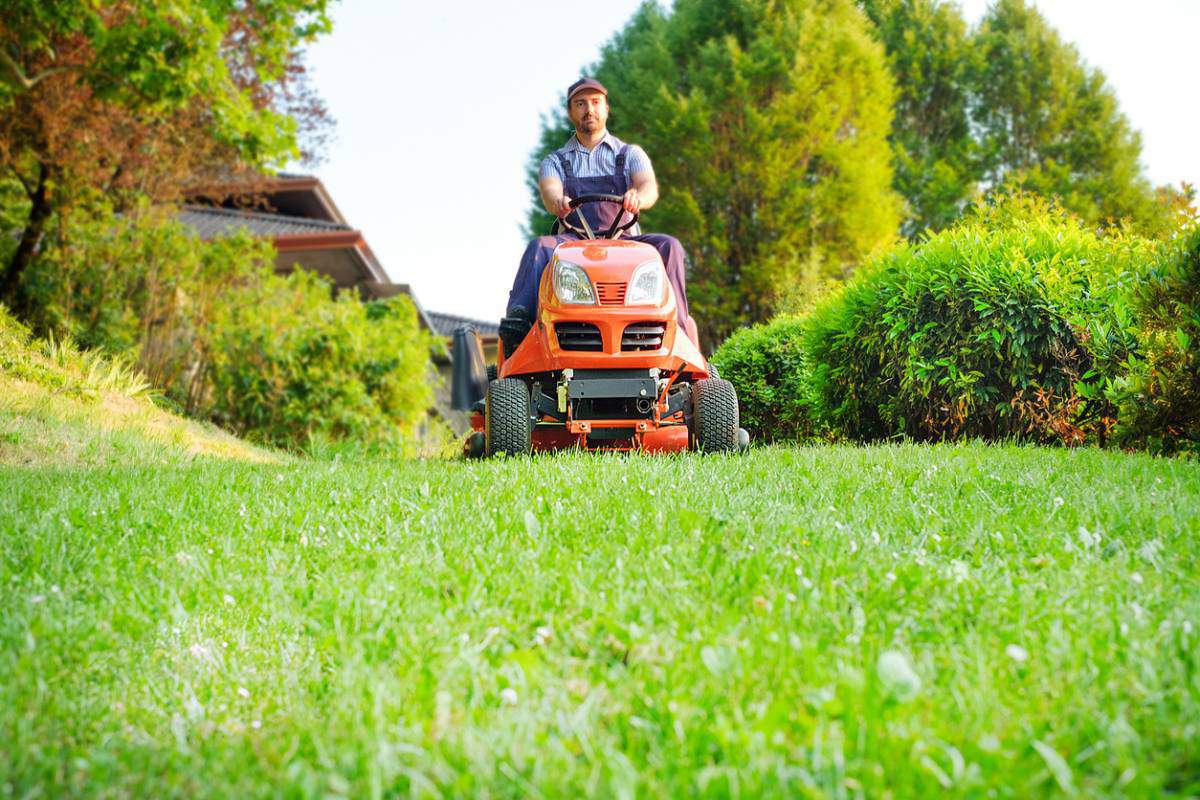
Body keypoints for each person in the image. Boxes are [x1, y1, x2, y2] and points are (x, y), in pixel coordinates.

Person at [501, 77, 693, 356]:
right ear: (571, 112)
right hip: (573, 242)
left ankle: (679, 332)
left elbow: (648, 185)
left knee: (669, 246)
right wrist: (558, 201)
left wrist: (639, 197)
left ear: (605, 108)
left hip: (626, 240)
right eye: (580, 104)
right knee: (539, 248)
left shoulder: (630, 155)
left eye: (595, 103)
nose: (588, 109)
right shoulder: (555, 161)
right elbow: (550, 188)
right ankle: (520, 326)